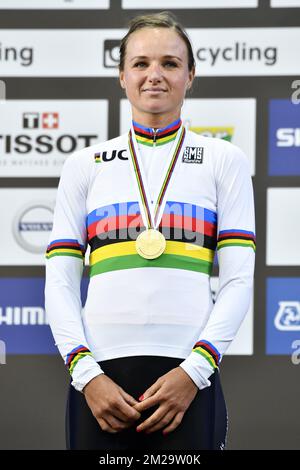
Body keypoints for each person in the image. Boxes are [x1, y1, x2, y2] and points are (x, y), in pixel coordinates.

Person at [44, 11, 256, 451]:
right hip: (99, 382)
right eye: (140, 64)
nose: (154, 75)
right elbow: (60, 282)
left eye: (170, 63)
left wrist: (195, 371)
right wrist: (86, 374)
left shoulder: (223, 159)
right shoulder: (84, 165)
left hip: (189, 379)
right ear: (122, 75)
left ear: (191, 75)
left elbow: (239, 279)